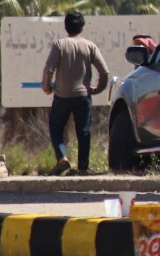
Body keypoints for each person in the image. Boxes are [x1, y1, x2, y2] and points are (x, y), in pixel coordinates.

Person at [40, 11, 110, 176]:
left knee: (55, 128)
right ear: (82, 27)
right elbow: (105, 72)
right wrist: (96, 89)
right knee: (83, 132)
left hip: (62, 96)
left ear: (66, 27)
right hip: (83, 96)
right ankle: (83, 168)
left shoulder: (60, 45)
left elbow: (48, 69)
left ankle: (62, 158)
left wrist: (46, 87)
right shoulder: (89, 46)